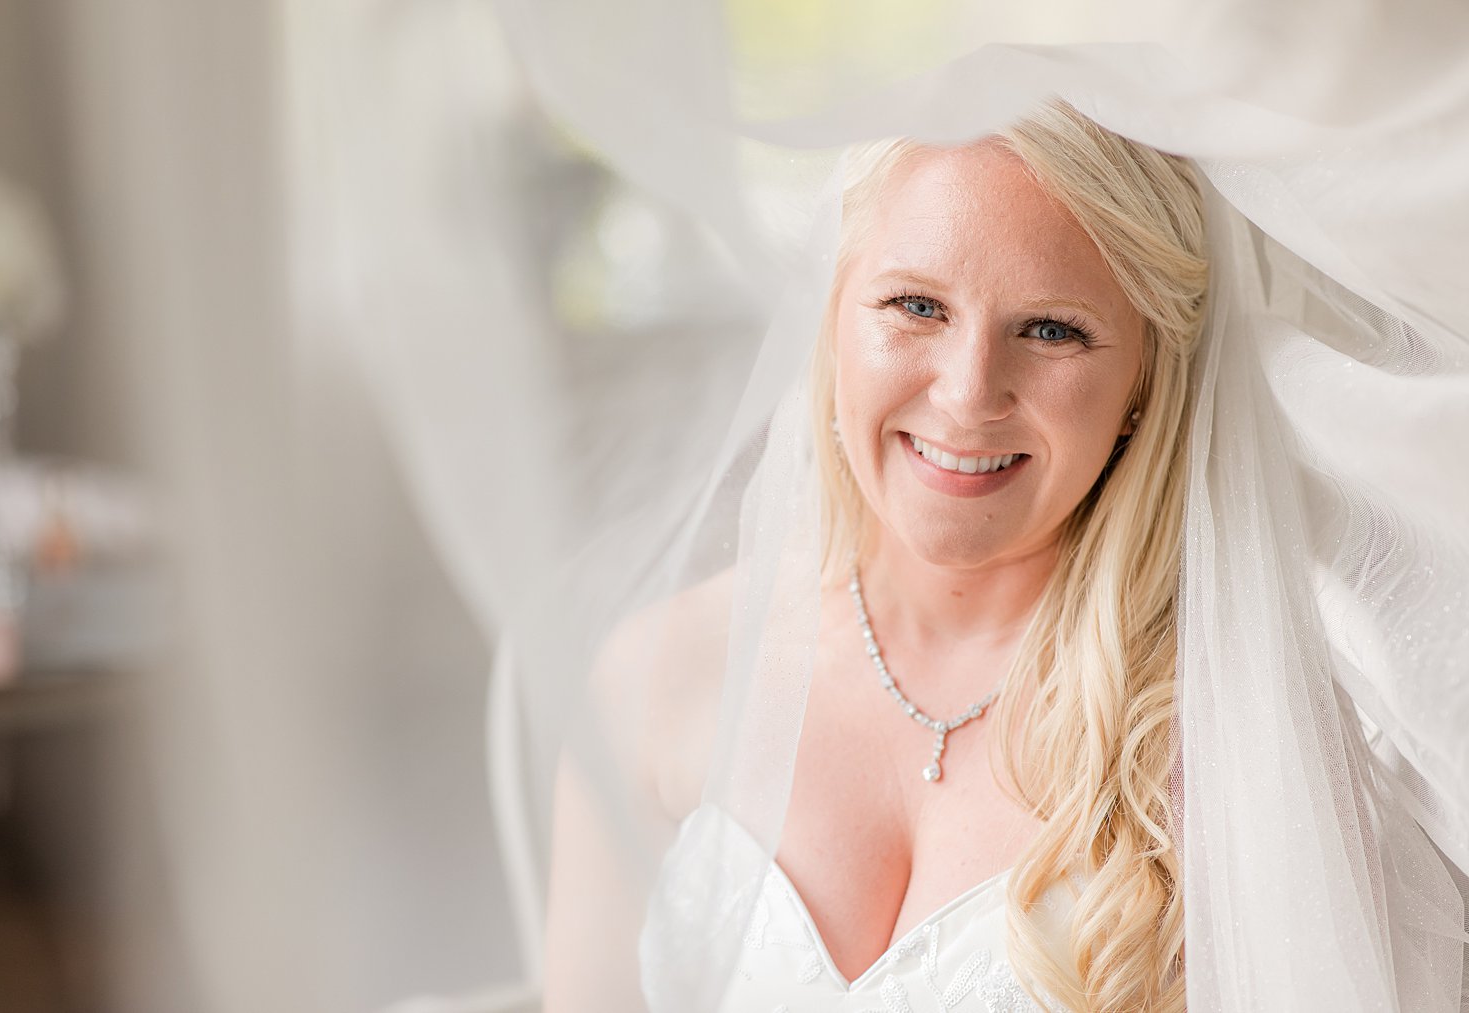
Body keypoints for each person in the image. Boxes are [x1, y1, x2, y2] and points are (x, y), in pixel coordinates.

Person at [525, 85, 1468, 1013]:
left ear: (1145, 377)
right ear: (831, 316)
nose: (970, 392)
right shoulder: (656, 675)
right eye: (915, 306)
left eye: (1053, 329)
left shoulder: (1243, 747)